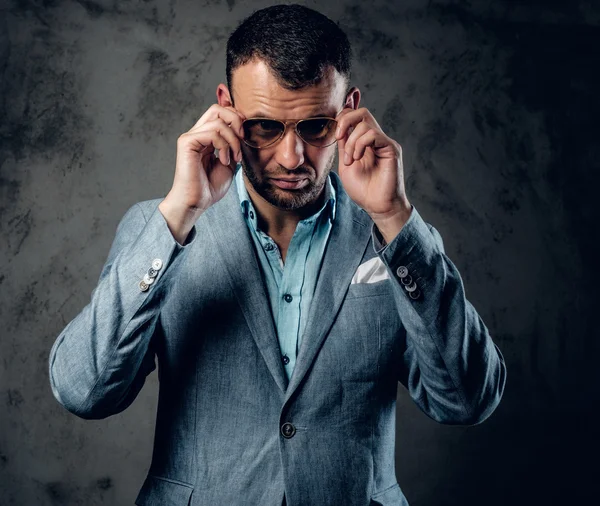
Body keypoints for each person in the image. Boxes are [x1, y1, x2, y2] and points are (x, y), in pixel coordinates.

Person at [48, 4, 506, 506]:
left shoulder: (399, 240)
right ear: (226, 107)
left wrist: (395, 217)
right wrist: (179, 213)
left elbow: (467, 401)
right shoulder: (157, 230)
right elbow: (85, 392)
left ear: (349, 110)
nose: (291, 158)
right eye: (264, 127)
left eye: (314, 127)